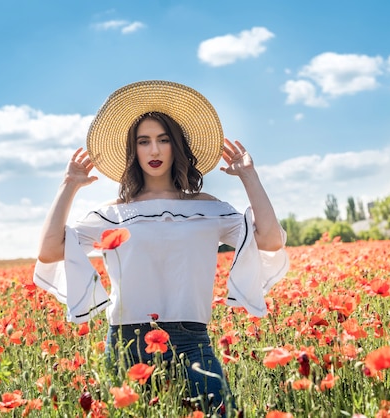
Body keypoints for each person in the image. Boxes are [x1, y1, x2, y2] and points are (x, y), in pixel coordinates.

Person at [33, 80, 289, 414]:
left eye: (163, 140)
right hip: (127, 347)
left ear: (176, 146)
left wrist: (248, 176)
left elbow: (269, 240)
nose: (154, 150)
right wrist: (69, 185)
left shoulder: (208, 208)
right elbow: (50, 251)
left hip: (193, 342)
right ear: (134, 151)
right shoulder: (113, 213)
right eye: (144, 142)